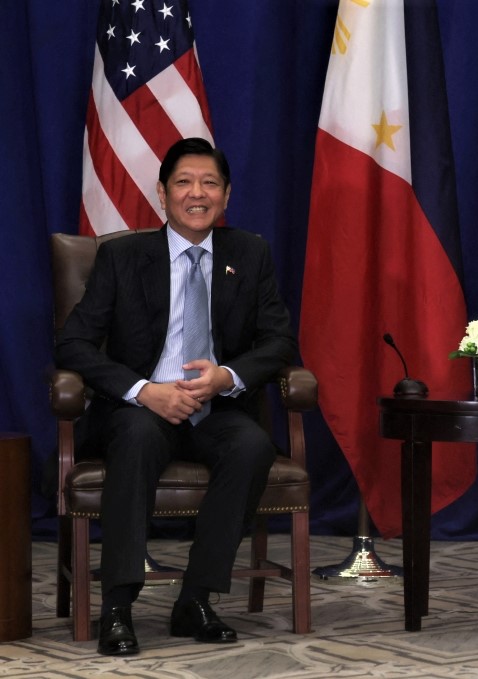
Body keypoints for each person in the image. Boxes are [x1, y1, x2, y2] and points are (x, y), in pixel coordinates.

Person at [56, 138, 297, 656]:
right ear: (162, 194)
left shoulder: (249, 253)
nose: (197, 193)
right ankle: (117, 607)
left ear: (226, 196)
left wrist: (225, 376)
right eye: (184, 182)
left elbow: (279, 341)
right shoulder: (121, 256)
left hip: (216, 409)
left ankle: (196, 599)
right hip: (139, 410)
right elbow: (73, 342)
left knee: (252, 446)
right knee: (139, 437)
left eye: (210, 183)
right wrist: (145, 391)